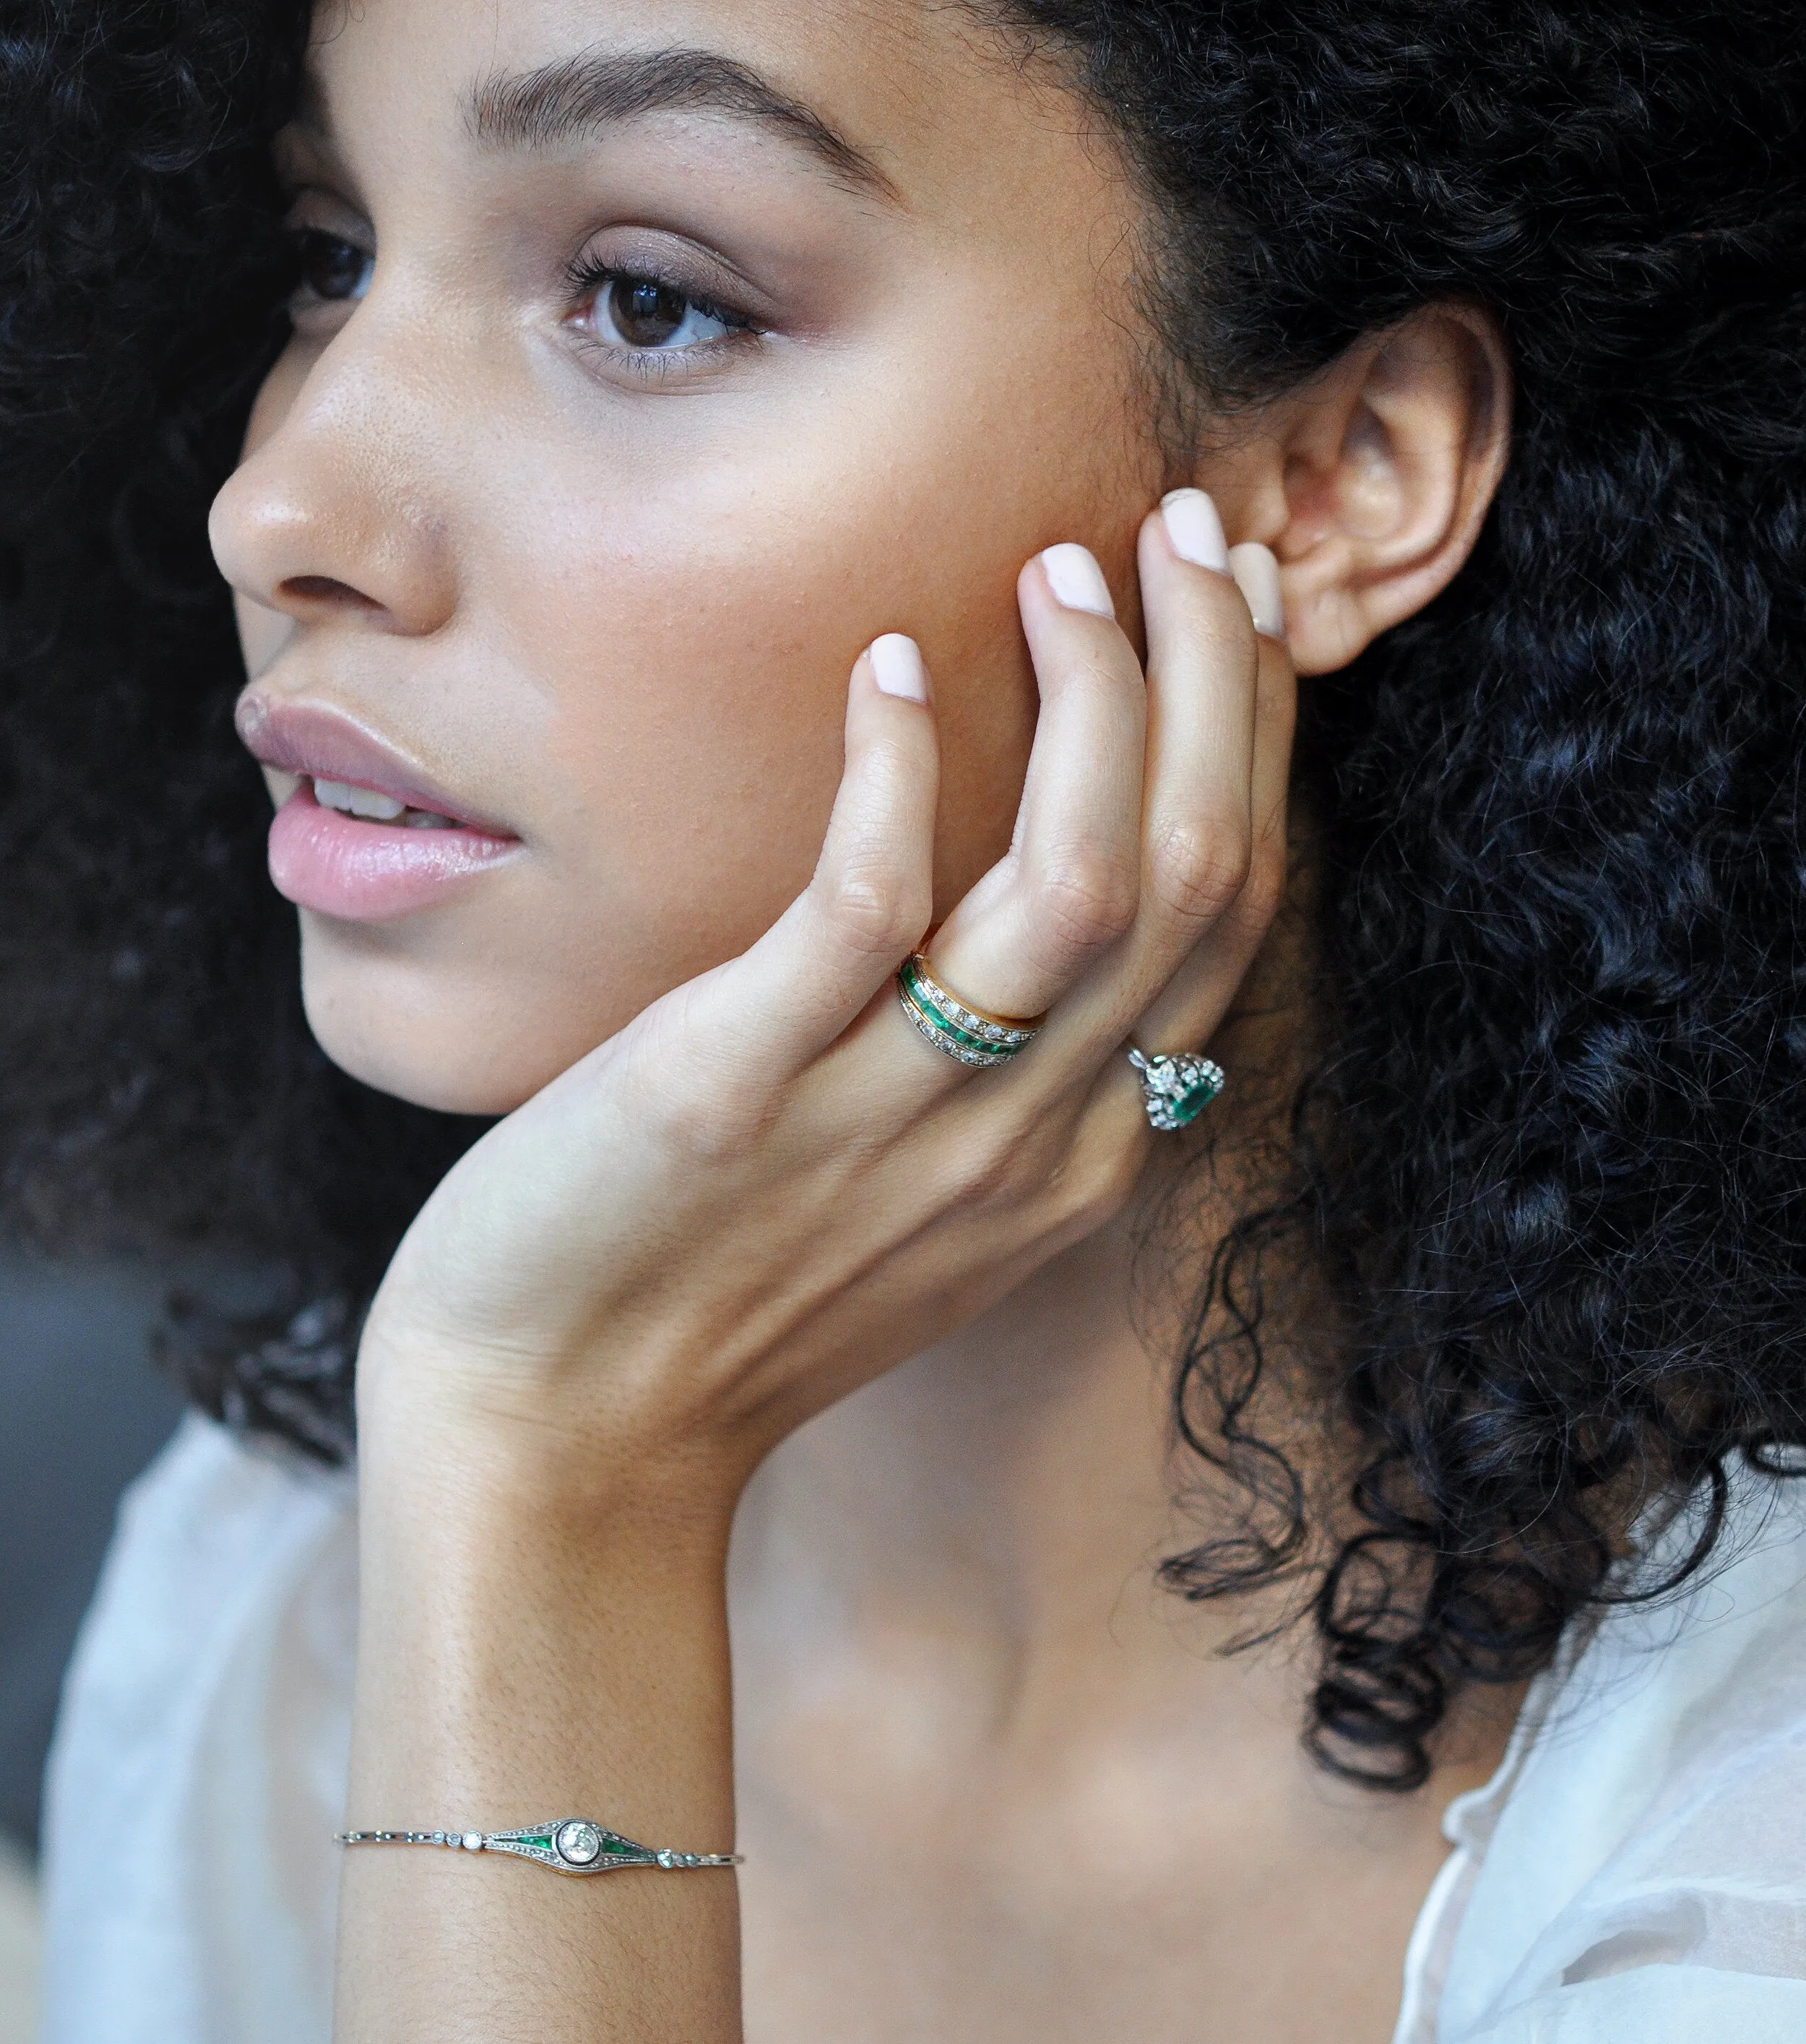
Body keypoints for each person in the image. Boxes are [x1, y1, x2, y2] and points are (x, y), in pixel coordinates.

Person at [5, 0, 1805, 2037]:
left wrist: (552, 1493)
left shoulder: (1746, 1869)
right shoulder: (291, 1574)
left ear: (1338, 473)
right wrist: (518, 1477)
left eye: (647, 301)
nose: (285, 503)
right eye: (329, 254)